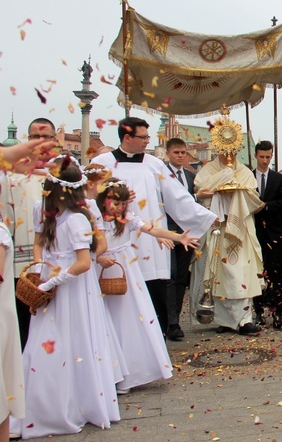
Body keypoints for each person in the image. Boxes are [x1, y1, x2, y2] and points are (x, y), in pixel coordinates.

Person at [16, 160, 120, 438]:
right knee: (42, 339)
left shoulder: (76, 219)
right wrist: (39, 269)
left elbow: (84, 262)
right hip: (50, 276)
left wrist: (53, 280)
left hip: (72, 284)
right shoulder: (46, 212)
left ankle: (73, 404)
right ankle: (38, 405)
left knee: (70, 339)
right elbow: (40, 242)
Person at [91, 117, 217, 335]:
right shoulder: (102, 163)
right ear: (127, 137)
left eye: (148, 137)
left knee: (154, 294)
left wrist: (205, 216)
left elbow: (177, 197)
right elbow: (89, 198)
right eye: (143, 137)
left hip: (152, 239)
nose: (147, 141)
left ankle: (155, 340)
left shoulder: (154, 164)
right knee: (116, 293)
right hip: (113, 242)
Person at [96, 178, 198, 393]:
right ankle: (107, 372)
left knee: (127, 317)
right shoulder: (95, 218)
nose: (119, 208)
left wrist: (178, 237)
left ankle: (130, 372)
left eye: (123, 204)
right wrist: (97, 258)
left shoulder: (127, 218)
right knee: (103, 318)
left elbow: (152, 229)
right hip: (101, 266)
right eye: (115, 203)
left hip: (124, 266)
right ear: (104, 200)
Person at [192, 144, 264, 336]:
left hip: (240, 229)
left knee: (241, 274)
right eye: (225, 151)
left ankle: (244, 320)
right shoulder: (208, 171)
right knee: (218, 274)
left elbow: (254, 198)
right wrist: (215, 188)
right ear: (218, 150)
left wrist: (238, 192)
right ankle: (223, 320)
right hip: (217, 228)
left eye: (232, 151)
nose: (229, 155)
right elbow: (201, 194)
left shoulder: (244, 172)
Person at [0, 119, 55, 351]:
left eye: (45, 137)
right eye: (34, 136)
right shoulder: (12, 177)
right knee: (26, 325)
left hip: (59, 264)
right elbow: (5, 221)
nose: (39, 142)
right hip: (22, 266)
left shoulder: (66, 174)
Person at [163, 138, 197, 341]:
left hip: (187, 233)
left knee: (181, 277)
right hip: (168, 233)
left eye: (183, 152)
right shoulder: (160, 176)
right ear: (168, 153)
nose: (180, 155)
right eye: (176, 152)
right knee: (170, 275)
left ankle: (174, 318)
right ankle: (170, 321)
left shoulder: (191, 177)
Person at [252, 141, 282, 329]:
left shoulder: (277, 178)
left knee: (276, 273)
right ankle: (258, 311)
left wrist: (266, 205)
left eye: (268, 157)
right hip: (254, 232)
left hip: (274, 232)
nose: (265, 160)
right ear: (256, 155)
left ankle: (277, 312)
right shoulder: (248, 177)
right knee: (257, 273)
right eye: (262, 157)